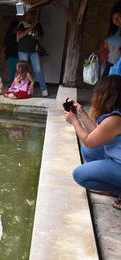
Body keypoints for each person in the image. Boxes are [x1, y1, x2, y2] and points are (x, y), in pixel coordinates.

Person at [65, 75, 121, 210]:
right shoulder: (115, 115)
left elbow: (90, 141)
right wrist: (81, 112)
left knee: (80, 175)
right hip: (115, 158)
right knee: (87, 151)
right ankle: (112, 185)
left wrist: (75, 122)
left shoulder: (115, 120)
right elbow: (97, 132)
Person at [17, 9, 48, 97]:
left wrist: (38, 37)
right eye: (28, 15)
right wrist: (30, 27)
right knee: (23, 70)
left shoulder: (38, 25)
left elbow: (42, 37)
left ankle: (44, 89)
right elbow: (19, 36)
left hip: (34, 51)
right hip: (23, 50)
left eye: (31, 16)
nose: (29, 17)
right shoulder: (21, 24)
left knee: (38, 70)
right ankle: (23, 88)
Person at [103, 1, 121, 76]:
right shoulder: (113, 31)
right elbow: (106, 47)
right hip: (110, 65)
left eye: (119, 17)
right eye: (114, 18)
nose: (116, 20)